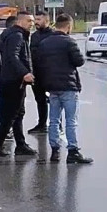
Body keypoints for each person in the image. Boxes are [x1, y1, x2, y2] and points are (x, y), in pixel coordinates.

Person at [34, 14, 93, 164]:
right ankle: (72, 151)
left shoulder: (44, 43)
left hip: (51, 86)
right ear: (68, 26)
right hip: (68, 85)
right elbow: (79, 61)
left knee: (53, 120)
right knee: (71, 120)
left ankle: (55, 151)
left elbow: (39, 63)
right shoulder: (69, 42)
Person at [0, 11, 38, 157]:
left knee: (17, 113)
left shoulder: (8, 34)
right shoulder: (17, 36)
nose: (32, 24)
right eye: (29, 21)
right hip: (14, 81)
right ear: (20, 21)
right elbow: (13, 56)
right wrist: (25, 73)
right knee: (10, 115)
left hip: (8, 79)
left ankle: (20, 144)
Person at [27, 11, 55, 136]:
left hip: (50, 73)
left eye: (38, 19)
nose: (35, 22)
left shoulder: (53, 35)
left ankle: (56, 124)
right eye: (35, 19)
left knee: (54, 100)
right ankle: (41, 123)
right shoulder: (34, 36)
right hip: (36, 73)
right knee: (40, 100)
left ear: (46, 20)